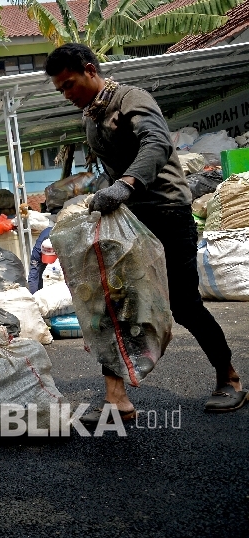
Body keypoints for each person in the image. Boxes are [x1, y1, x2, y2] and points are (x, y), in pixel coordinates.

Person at [45, 43, 245, 422]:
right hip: (130, 220)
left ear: (90, 70)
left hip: (167, 212)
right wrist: (105, 193)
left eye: (70, 84)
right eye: (60, 90)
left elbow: (156, 142)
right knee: (114, 303)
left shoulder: (131, 99)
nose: (67, 94)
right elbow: (111, 166)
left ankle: (229, 377)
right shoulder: (91, 117)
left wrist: (126, 185)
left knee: (184, 304)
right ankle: (116, 398)